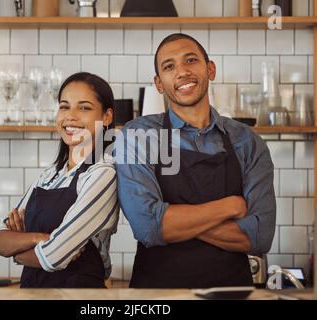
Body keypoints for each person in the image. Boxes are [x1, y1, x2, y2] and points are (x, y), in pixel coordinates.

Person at [115, 33, 276, 288]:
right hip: (158, 296)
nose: (182, 72)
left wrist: (170, 220)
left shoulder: (247, 141)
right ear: (159, 83)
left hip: (231, 293)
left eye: (191, 60)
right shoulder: (139, 135)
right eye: (169, 66)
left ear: (210, 69)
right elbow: (146, 226)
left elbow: (259, 236)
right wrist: (231, 207)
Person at [0, 72, 119, 288]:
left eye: (84, 108)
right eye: (64, 106)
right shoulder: (49, 176)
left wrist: (16, 251)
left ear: (106, 117)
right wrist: (38, 238)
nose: (70, 116)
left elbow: (54, 257)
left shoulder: (103, 174)